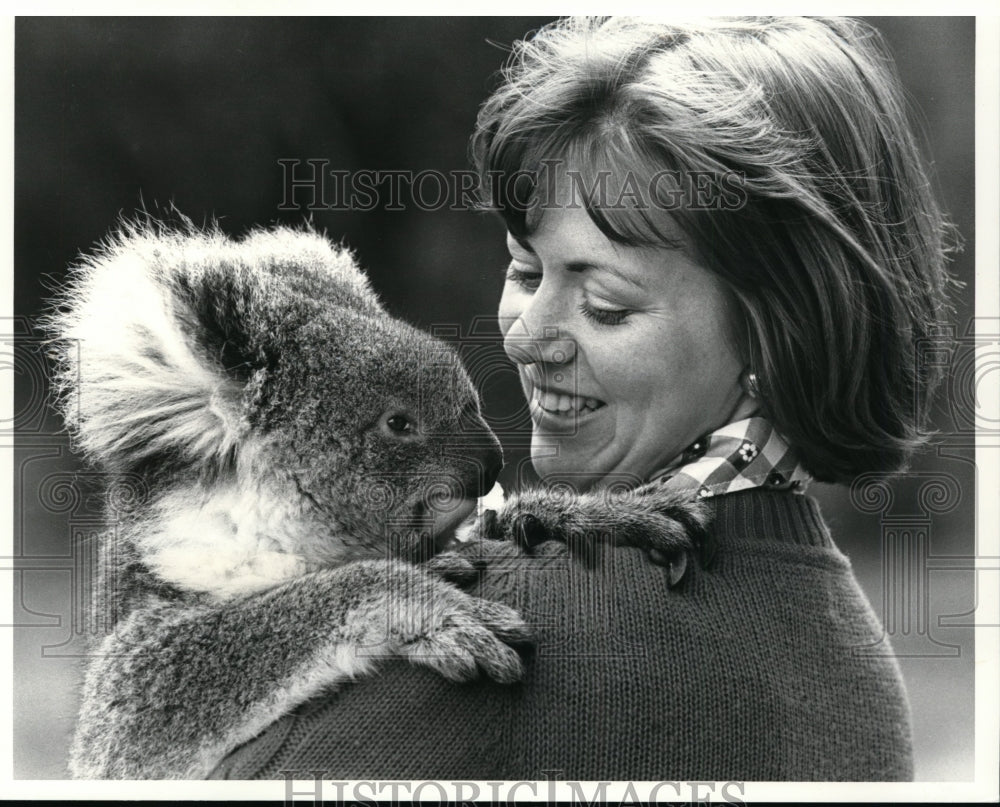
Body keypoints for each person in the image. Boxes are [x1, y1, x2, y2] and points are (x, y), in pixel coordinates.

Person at [210, 16, 955, 781]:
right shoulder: (856, 660)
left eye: (605, 305)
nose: (526, 337)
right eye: (525, 271)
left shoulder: (492, 624)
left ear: (776, 334)